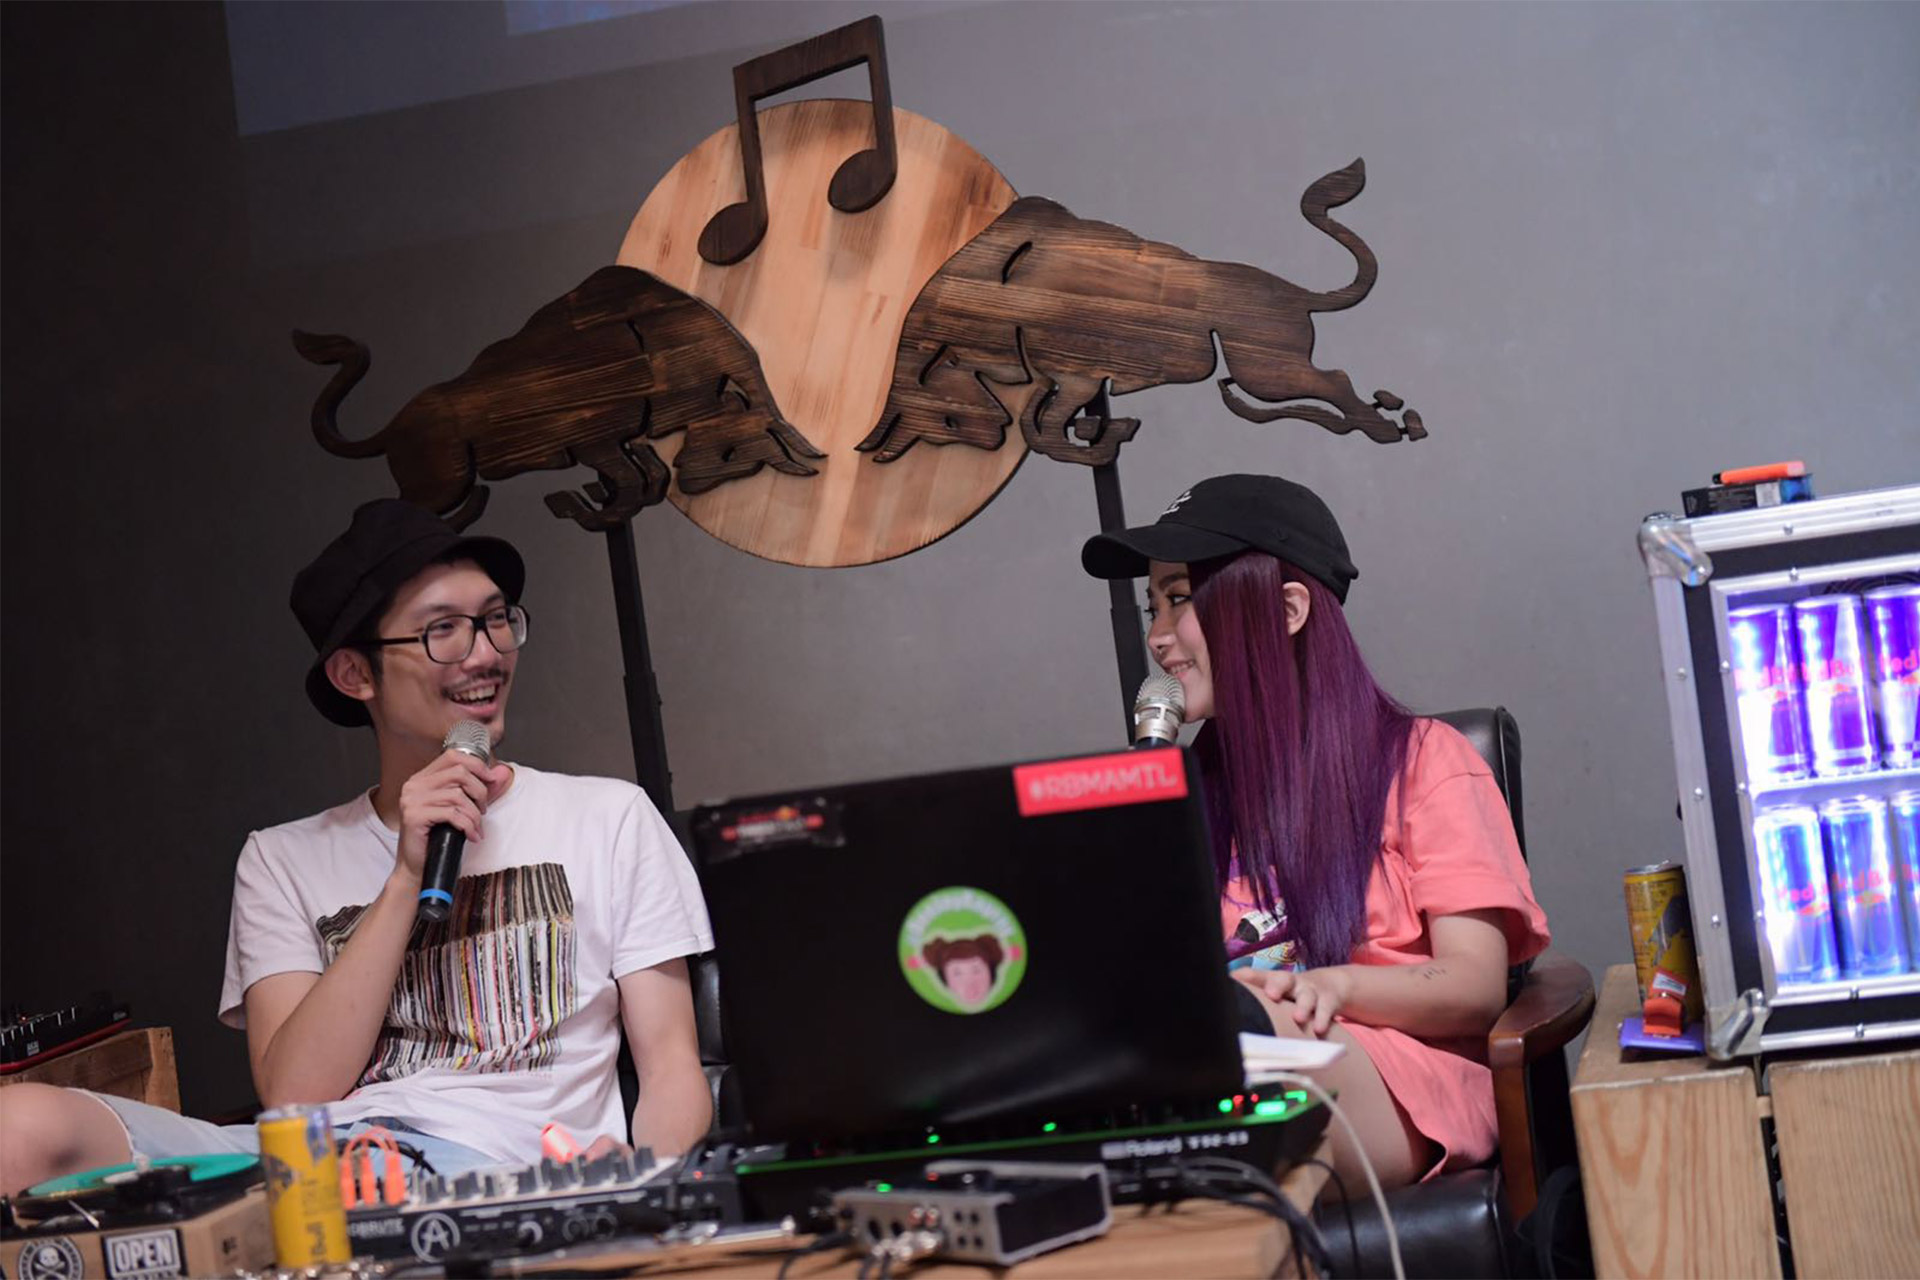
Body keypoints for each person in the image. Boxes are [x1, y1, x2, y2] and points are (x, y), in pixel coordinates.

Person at [1, 500, 714, 1194]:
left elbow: (672, 1069)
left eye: (495, 620)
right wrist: (406, 876)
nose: (485, 653)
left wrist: (634, 1179)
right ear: (355, 675)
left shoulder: (608, 817)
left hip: (492, 1165)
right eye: (442, 630)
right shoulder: (280, 859)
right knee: (18, 1126)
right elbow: (294, 1095)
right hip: (311, 1157)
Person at [1081, 474, 1549, 1193]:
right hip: (1221, 1072)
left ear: (1286, 609)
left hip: (1399, 1080)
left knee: (1237, 1038)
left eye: (1180, 598)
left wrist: (1331, 987)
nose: (1157, 636)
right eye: (1153, 606)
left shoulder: (1426, 762)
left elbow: (1474, 985)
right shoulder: (1180, 801)